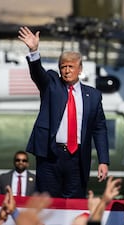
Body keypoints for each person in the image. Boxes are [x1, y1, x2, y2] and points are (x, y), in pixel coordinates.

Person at [17, 26, 110, 198]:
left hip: (77, 159)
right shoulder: (52, 83)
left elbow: (100, 129)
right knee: (47, 204)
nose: (66, 70)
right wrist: (34, 51)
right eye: (63, 66)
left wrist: (103, 160)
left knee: (74, 204)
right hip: (51, 156)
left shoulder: (93, 95)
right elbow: (38, 74)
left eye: (71, 66)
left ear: (80, 69)